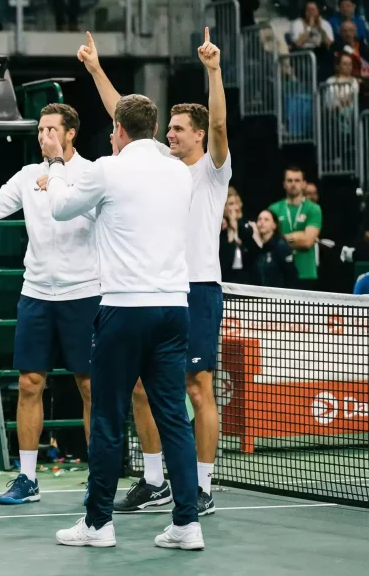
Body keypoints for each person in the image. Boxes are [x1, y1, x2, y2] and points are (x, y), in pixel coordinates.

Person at [79, 28, 230, 518]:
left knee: (197, 386)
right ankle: (154, 479)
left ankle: (203, 485)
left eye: (180, 129)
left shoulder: (211, 169)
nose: (170, 135)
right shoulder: (161, 166)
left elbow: (222, 127)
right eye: (169, 129)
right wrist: (97, 70)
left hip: (200, 286)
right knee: (144, 389)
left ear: (199, 136)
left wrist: (213, 70)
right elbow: (125, 117)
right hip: (162, 290)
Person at [42, 93, 203, 551]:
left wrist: (55, 165)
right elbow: (128, 215)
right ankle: (187, 524)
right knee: (173, 418)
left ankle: (97, 524)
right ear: (153, 129)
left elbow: (59, 207)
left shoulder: (106, 169)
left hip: (124, 310)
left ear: (118, 130)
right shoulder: (178, 171)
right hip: (174, 309)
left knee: (109, 419)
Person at [0, 103, 97, 505]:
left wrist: (57, 177)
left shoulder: (91, 174)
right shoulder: (25, 176)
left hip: (83, 293)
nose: (43, 136)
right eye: (40, 129)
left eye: (52, 129)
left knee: (89, 387)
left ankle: (98, 476)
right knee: (28, 384)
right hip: (36, 295)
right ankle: (26, 477)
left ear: (70, 133)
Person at [268, 166, 322, 290]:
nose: (293, 184)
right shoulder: (274, 209)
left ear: (303, 184)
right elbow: (269, 241)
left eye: (297, 180)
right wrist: (298, 237)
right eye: (290, 180)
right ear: (284, 184)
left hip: (306, 272)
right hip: (280, 272)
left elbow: (308, 241)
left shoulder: (313, 209)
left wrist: (282, 240)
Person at [245, 209, 299, 288]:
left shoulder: (281, 246)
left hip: (278, 296)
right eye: (259, 219)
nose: (262, 222)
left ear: (274, 225)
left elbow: (290, 275)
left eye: (266, 219)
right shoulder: (253, 247)